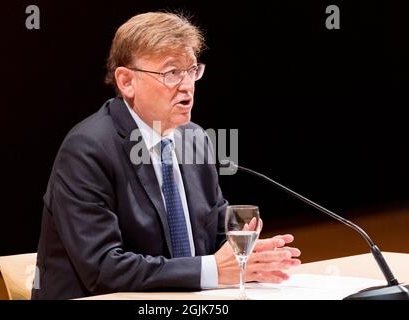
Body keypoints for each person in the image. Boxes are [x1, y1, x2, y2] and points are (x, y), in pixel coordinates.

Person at [31, 11, 301, 300]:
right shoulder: (87, 149)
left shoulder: (193, 138)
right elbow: (103, 269)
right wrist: (213, 270)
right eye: (172, 73)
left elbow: (215, 237)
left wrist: (251, 258)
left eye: (192, 70)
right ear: (126, 82)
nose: (187, 86)